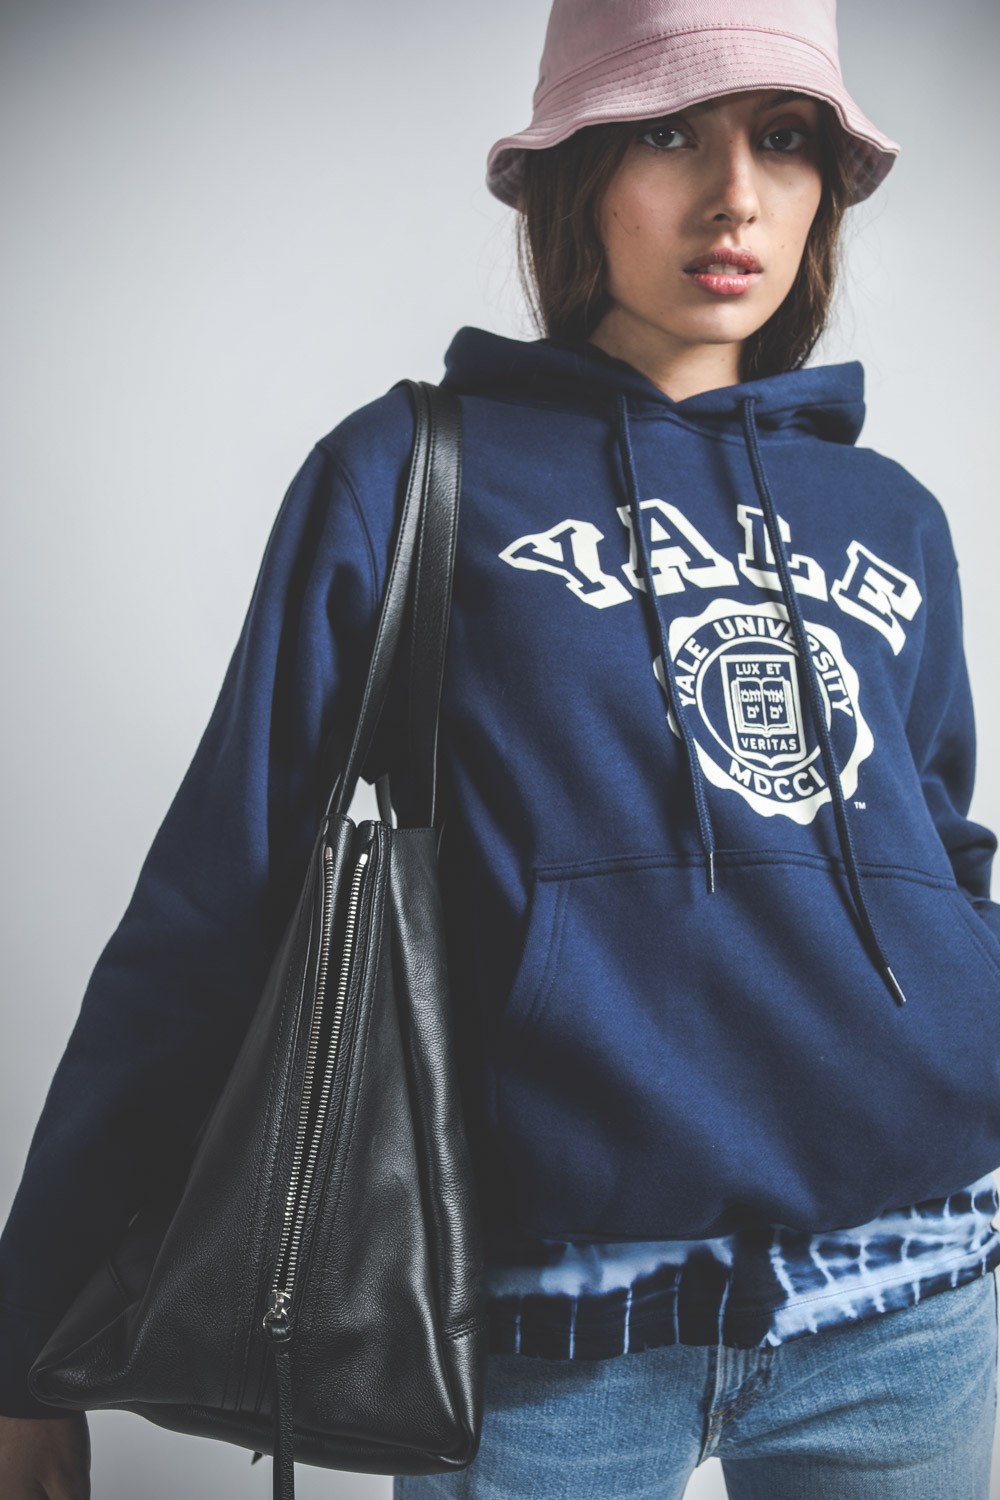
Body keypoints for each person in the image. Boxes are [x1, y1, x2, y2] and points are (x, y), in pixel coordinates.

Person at [2, 1, 999, 1497]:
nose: (736, 195)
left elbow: (938, 853)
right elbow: (218, 903)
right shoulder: (411, 470)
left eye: (785, 140)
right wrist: (26, 1336)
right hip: (548, 1342)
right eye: (672, 132)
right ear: (574, 174)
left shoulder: (892, 516)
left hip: (910, 1306)